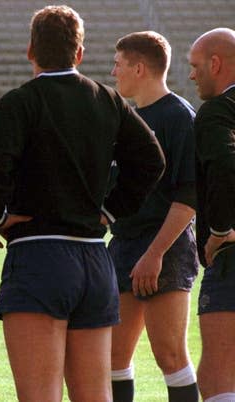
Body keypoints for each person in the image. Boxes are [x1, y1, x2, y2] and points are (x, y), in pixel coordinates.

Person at [0, 6, 166, 402]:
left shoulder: (19, 102)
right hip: (96, 262)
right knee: (95, 396)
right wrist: (110, 210)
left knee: (40, 396)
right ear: (79, 53)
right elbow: (152, 160)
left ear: (30, 51)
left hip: (38, 255)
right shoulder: (108, 99)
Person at [107, 31, 199, 402]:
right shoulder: (123, 120)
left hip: (166, 249)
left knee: (170, 354)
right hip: (124, 247)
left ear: (139, 68)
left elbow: (189, 196)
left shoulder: (179, 117)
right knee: (112, 357)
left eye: (118, 64)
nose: (113, 72)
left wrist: (155, 253)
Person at [189, 27, 235, 402]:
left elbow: (224, 166)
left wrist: (221, 230)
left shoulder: (218, 111)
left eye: (196, 66)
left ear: (216, 64)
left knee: (217, 374)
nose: (191, 75)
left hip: (230, 258)